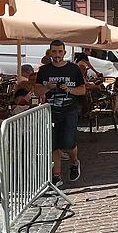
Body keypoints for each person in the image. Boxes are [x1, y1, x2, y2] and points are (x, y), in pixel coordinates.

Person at [35, 40, 86, 186]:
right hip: (51, 111)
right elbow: (37, 90)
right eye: (54, 52)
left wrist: (68, 90)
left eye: (59, 52)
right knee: (54, 145)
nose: (57, 55)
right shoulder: (44, 70)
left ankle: (74, 162)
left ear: (64, 52)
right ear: (50, 52)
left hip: (70, 110)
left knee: (69, 143)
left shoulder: (73, 69)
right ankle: (56, 176)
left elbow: (82, 90)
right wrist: (48, 88)